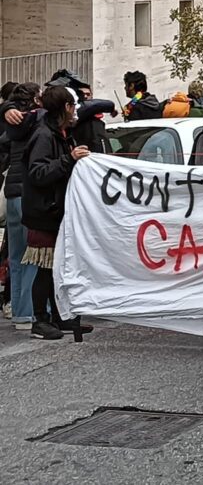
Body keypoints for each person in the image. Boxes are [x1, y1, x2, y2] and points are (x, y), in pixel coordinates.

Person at [21, 86, 92, 340]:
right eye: (73, 105)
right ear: (65, 108)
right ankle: (40, 320)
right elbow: (38, 172)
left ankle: (59, 317)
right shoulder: (43, 135)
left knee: (57, 268)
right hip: (44, 213)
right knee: (45, 267)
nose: (75, 110)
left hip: (56, 212)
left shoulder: (61, 133)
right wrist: (68, 159)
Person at [1, 83, 42, 332]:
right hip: (27, 194)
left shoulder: (12, 126)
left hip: (11, 193)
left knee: (15, 256)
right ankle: (29, 312)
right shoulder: (37, 121)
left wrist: (6, 108)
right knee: (32, 255)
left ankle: (17, 310)